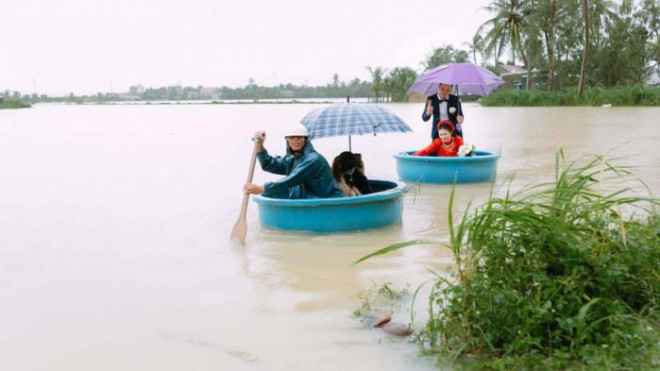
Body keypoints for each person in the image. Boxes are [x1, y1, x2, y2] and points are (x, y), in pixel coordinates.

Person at [244, 126, 342, 199]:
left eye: (299, 137)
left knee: (267, 191)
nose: (295, 141)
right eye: (292, 137)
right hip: (309, 197)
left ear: (306, 140)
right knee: (268, 194)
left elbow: (292, 179)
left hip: (325, 199)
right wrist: (260, 145)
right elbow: (269, 165)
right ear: (287, 140)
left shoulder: (313, 159)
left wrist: (262, 188)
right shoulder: (292, 158)